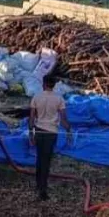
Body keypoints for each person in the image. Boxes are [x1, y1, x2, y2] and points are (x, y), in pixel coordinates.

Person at [29, 73, 71, 201]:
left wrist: (31, 133)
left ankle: (38, 184)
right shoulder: (59, 99)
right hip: (51, 132)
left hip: (39, 130)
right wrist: (69, 131)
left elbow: (31, 118)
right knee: (46, 160)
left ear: (43, 84)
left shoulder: (36, 97)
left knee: (39, 158)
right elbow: (63, 120)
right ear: (54, 85)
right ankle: (43, 190)